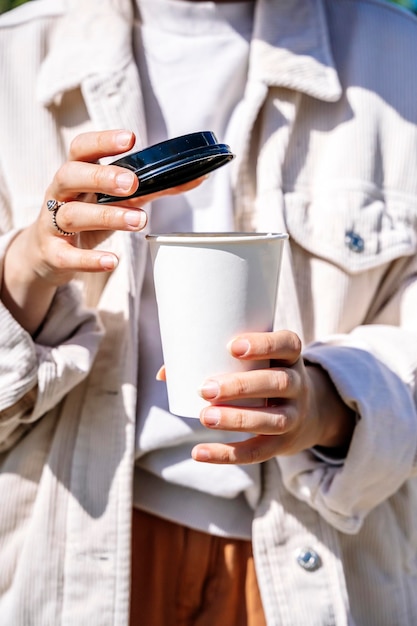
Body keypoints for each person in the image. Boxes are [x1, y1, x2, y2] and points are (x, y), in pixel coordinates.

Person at [0, 0, 417, 624]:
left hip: (318, 561)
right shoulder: (14, 57)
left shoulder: (399, 57)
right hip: (71, 557)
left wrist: (327, 407)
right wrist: (27, 268)